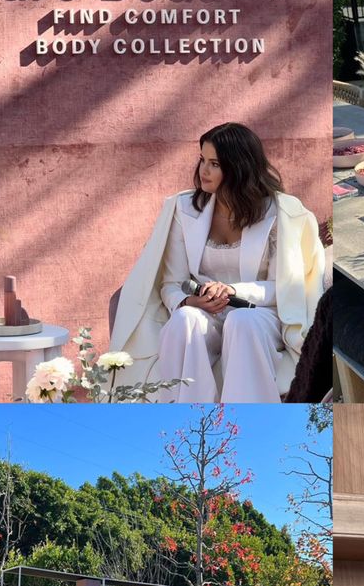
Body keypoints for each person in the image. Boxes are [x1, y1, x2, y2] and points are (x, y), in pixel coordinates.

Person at [109, 123, 325, 402]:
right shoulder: (183, 209)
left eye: (214, 163)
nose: (203, 171)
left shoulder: (279, 213)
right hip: (205, 312)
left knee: (241, 321)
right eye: (202, 160)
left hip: (260, 313)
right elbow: (171, 284)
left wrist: (233, 291)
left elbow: (281, 288)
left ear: (239, 167)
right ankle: (190, 423)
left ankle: (249, 425)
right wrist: (189, 302)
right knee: (183, 320)